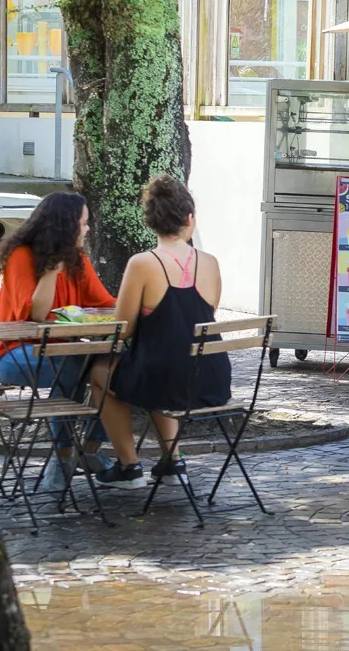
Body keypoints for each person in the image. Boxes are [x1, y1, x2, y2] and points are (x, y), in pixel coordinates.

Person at [89, 176, 230, 490]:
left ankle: (128, 466)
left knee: (101, 373)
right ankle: (173, 462)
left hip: (166, 379)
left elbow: (123, 328)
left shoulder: (142, 263)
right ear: (189, 219)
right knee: (161, 365)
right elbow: (207, 315)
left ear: (150, 222)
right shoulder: (210, 263)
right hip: (212, 377)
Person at [0, 191, 117, 493]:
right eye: (83, 223)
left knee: (117, 370)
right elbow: (35, 314)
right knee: (70, 371)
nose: (87, 229)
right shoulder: (22, 255)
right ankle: (63, 457)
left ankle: (89, 448)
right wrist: (51, 270)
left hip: (66, 352)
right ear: (65, 225)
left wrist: (144, 304)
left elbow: (106, 302)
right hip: (15, 353)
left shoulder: (79, 261)